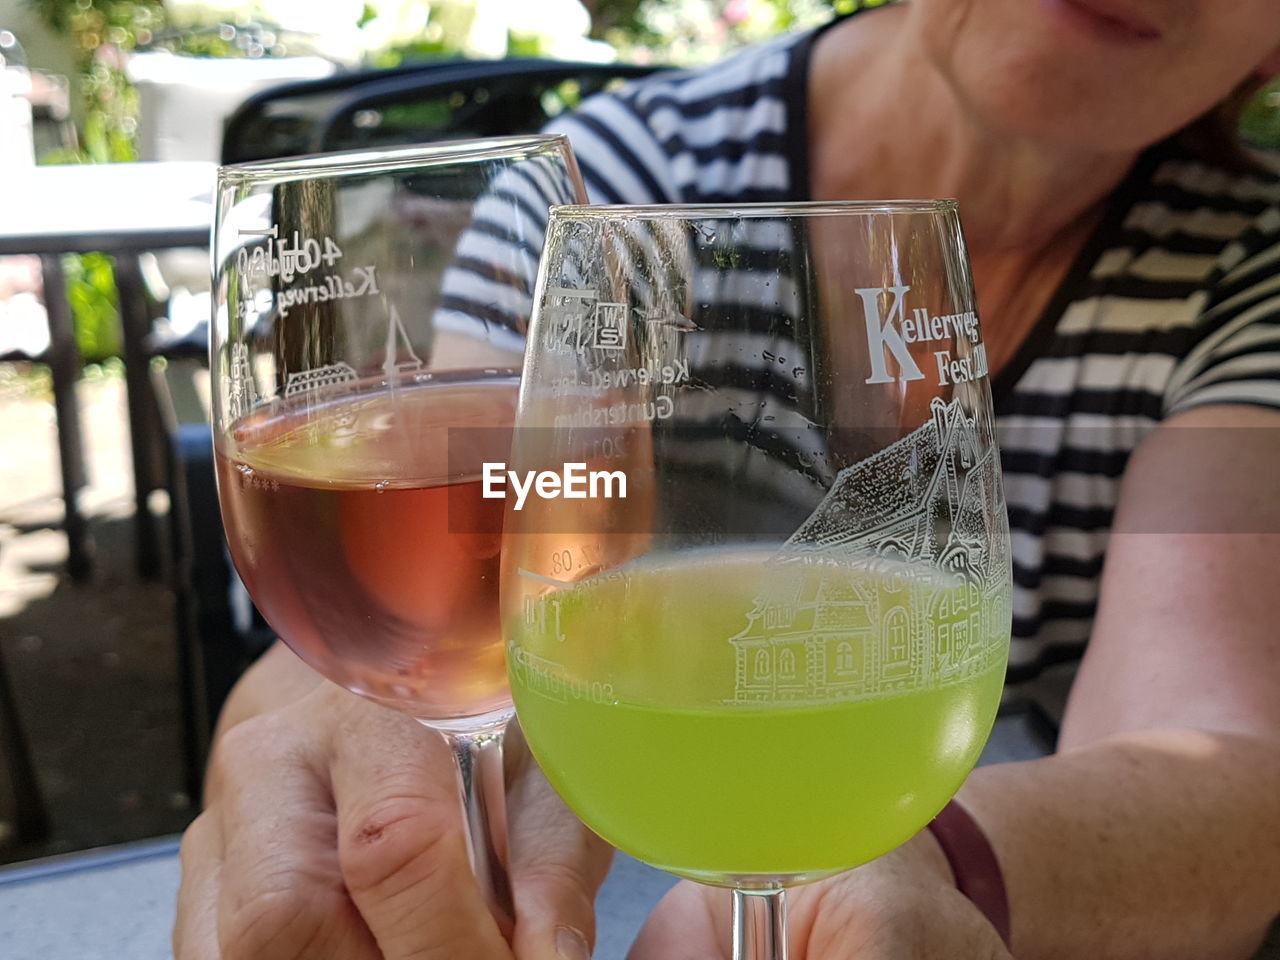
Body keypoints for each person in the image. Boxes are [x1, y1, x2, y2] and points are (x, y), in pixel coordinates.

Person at [174, 2, 1280, 958]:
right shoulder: (617, 187)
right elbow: (464, 526)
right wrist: (337, 723)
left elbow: (1217, 757)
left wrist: (919, 863)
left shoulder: (1249, 269)